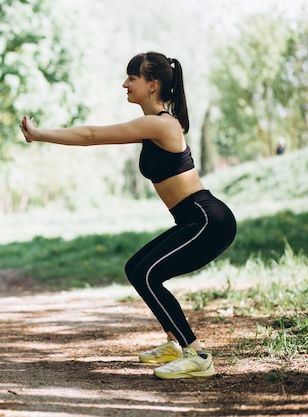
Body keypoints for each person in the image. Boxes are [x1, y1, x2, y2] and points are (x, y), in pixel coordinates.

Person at [20, 51, 236, 379]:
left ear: (153, 84)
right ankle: (174, 342)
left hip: (207, 220)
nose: (125, 83)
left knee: (148, 273)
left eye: (131, 78)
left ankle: (197, 354)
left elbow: (92, 136)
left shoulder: (161, 124)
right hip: (194, 219)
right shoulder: (155, 125)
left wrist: (40, 134)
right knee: (136, 269)